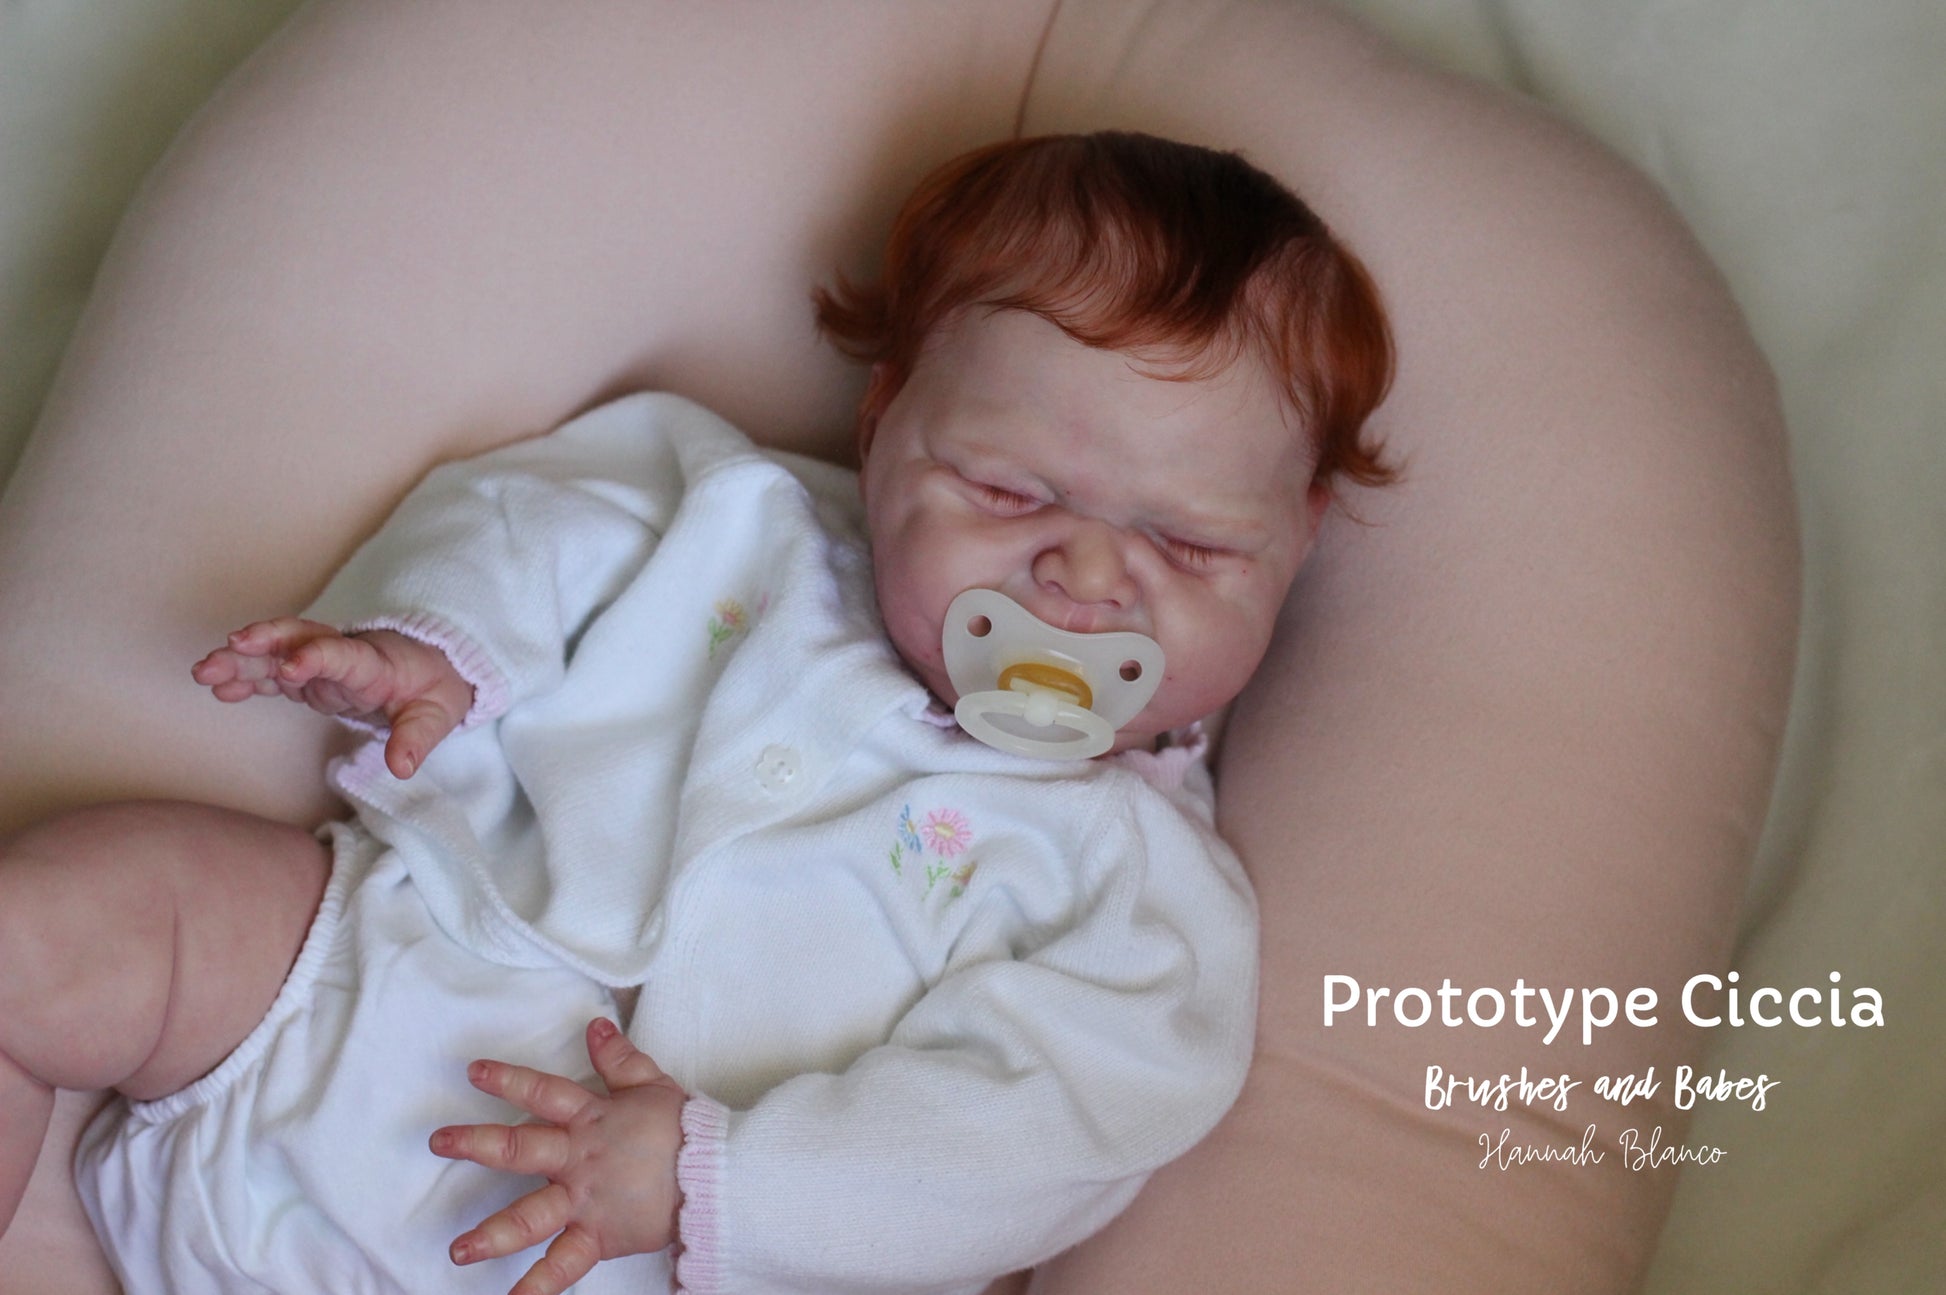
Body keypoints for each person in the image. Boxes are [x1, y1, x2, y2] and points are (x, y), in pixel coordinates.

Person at [0, 132, 1393, 1295]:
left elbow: (1031, 1145)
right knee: (78, 912)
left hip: (641, 1255)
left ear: (1298, 541)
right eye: (1007, 494)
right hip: (368, 989)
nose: (1083, 581)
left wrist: (725, 1178)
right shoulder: (731, 519)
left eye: (1189, 548)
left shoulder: (1143, 904)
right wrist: (430, 648)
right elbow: (530, 521)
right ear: (883, 422)